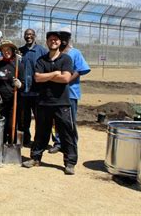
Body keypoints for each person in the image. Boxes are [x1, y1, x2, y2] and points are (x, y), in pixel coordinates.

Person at [22, 30, 77, 175]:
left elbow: (66, 78)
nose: (53, 41)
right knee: (41, 132)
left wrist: (47, 76)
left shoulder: (66, 59)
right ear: (47, 42)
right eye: (50, 39)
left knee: (66, 133)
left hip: (61, 103)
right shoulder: (41, 60)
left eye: (56, 40)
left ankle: (70, 162)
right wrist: (54, 74)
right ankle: (35, 158)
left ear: (60, 42)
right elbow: (38, 78)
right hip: (43, 102)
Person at [49, 27, 91, 154]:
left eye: (67, 37)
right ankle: (58, 142)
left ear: (69, 38)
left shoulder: (75, 53)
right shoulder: (54, 53)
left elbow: (80, 70)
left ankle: (71, 143)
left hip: (70, 93)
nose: (64, 40)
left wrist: (66, 80)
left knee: (69, 120)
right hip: (55, 93)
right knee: (56, 120)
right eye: (62, 37)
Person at [0, 40, 24, 144]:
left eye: (8, 49)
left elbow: (24, 84)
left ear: (12, 51)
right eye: (4, 50)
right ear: (1, 52)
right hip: (0, 101)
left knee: (11, 125)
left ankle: (11, 144)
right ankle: (1, 145)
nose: (6, 52)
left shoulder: (18, 66)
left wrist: (20, 85)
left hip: (14, 101)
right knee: (1, 124)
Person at [18, 28, 48, 147]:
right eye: (26, 34)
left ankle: (40, 141)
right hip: (23, 92)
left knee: (40, 119)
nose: (28, 36)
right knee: (24, 119)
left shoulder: (41, 51)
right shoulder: (20, 51)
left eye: (31, 34)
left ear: (34, 36)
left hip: (38, 92)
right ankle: (26, 139)